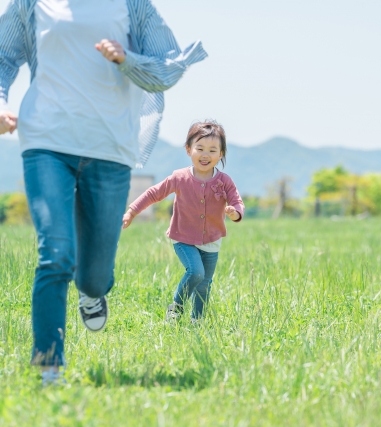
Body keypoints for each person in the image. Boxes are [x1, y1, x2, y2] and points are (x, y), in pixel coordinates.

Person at [0, 0, 207, 385]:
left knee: (94, 276)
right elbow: (3, 53)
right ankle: (49, 369)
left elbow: (167, 67)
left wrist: (126, 59)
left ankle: (92, 291)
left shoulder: (132, 5)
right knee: (55, 254)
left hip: (109, 150)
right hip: (45, 141)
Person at [123, 121, 244, 323]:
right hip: (183, 238)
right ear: (189, 150)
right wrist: (132, 211)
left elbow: (236, 202)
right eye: (200, 148)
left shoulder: (225, 181)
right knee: (196, 272)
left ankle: (197, 321)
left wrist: (235, 213)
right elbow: (154, 193)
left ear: (221, 154)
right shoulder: (180, 177)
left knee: (205, 283)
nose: (206, 155)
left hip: (212, 240)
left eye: (212, 150)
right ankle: (176, 308)